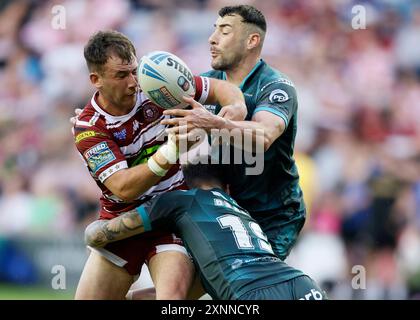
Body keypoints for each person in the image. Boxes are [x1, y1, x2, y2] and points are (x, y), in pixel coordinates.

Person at [73, 30, 246, 299]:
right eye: (121, 75)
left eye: (133, 70)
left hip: (170, 215)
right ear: (96, 80)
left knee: (172, 302)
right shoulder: (89, 126)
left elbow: (224, 89)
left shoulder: (155, 85)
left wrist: (235, 108)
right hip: (124, 221)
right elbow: (123, 187)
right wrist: (173, 150)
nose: (133, 82)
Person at [162, 5, 306, 261]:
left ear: (252, 40)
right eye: (214, 29)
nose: (212, 38)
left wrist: (211, 123)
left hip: (271, 215)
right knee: (182, 286)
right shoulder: (206, 84)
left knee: (248, 286)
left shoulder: (275, 87)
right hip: (222, 208)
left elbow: (263, 136)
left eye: (225, 31)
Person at [84, 160, 327, 300]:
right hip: (302, 284)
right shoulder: (240, 213)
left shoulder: (182, 200)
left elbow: (101, 234)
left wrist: (95, 231)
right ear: (227, 188)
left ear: (186, 183)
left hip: (249, 294)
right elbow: (181, 294)